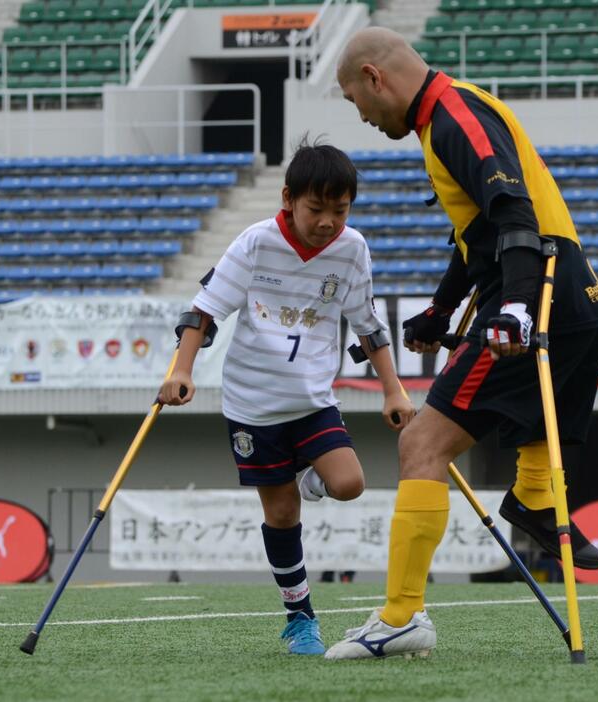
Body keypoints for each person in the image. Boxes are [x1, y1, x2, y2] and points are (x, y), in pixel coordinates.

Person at [326, 28, 598, 660]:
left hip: (536, 289)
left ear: (376, 78)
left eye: (355, 100)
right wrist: (440, 308)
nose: (364, 118)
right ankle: (535, 499)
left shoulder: (453, 114)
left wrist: (512, 305)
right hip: (571, 297)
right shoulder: (448, 116)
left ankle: (402, 616)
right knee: (517, 424)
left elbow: (512, 209)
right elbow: (479, 231)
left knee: (421, 443)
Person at [158, 139, 415, 656]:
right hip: (253, 407)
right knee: (281, 516)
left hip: (312, 401)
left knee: (349, 483)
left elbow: (367, 326)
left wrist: (394, 388)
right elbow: (203, 313)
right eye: (315, 209)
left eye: (339, 211)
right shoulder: (255, 243)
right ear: (288, 199)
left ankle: (306, 471)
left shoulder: (352, 249)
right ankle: (300, 617)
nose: (327, 222)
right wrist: (181, 370)